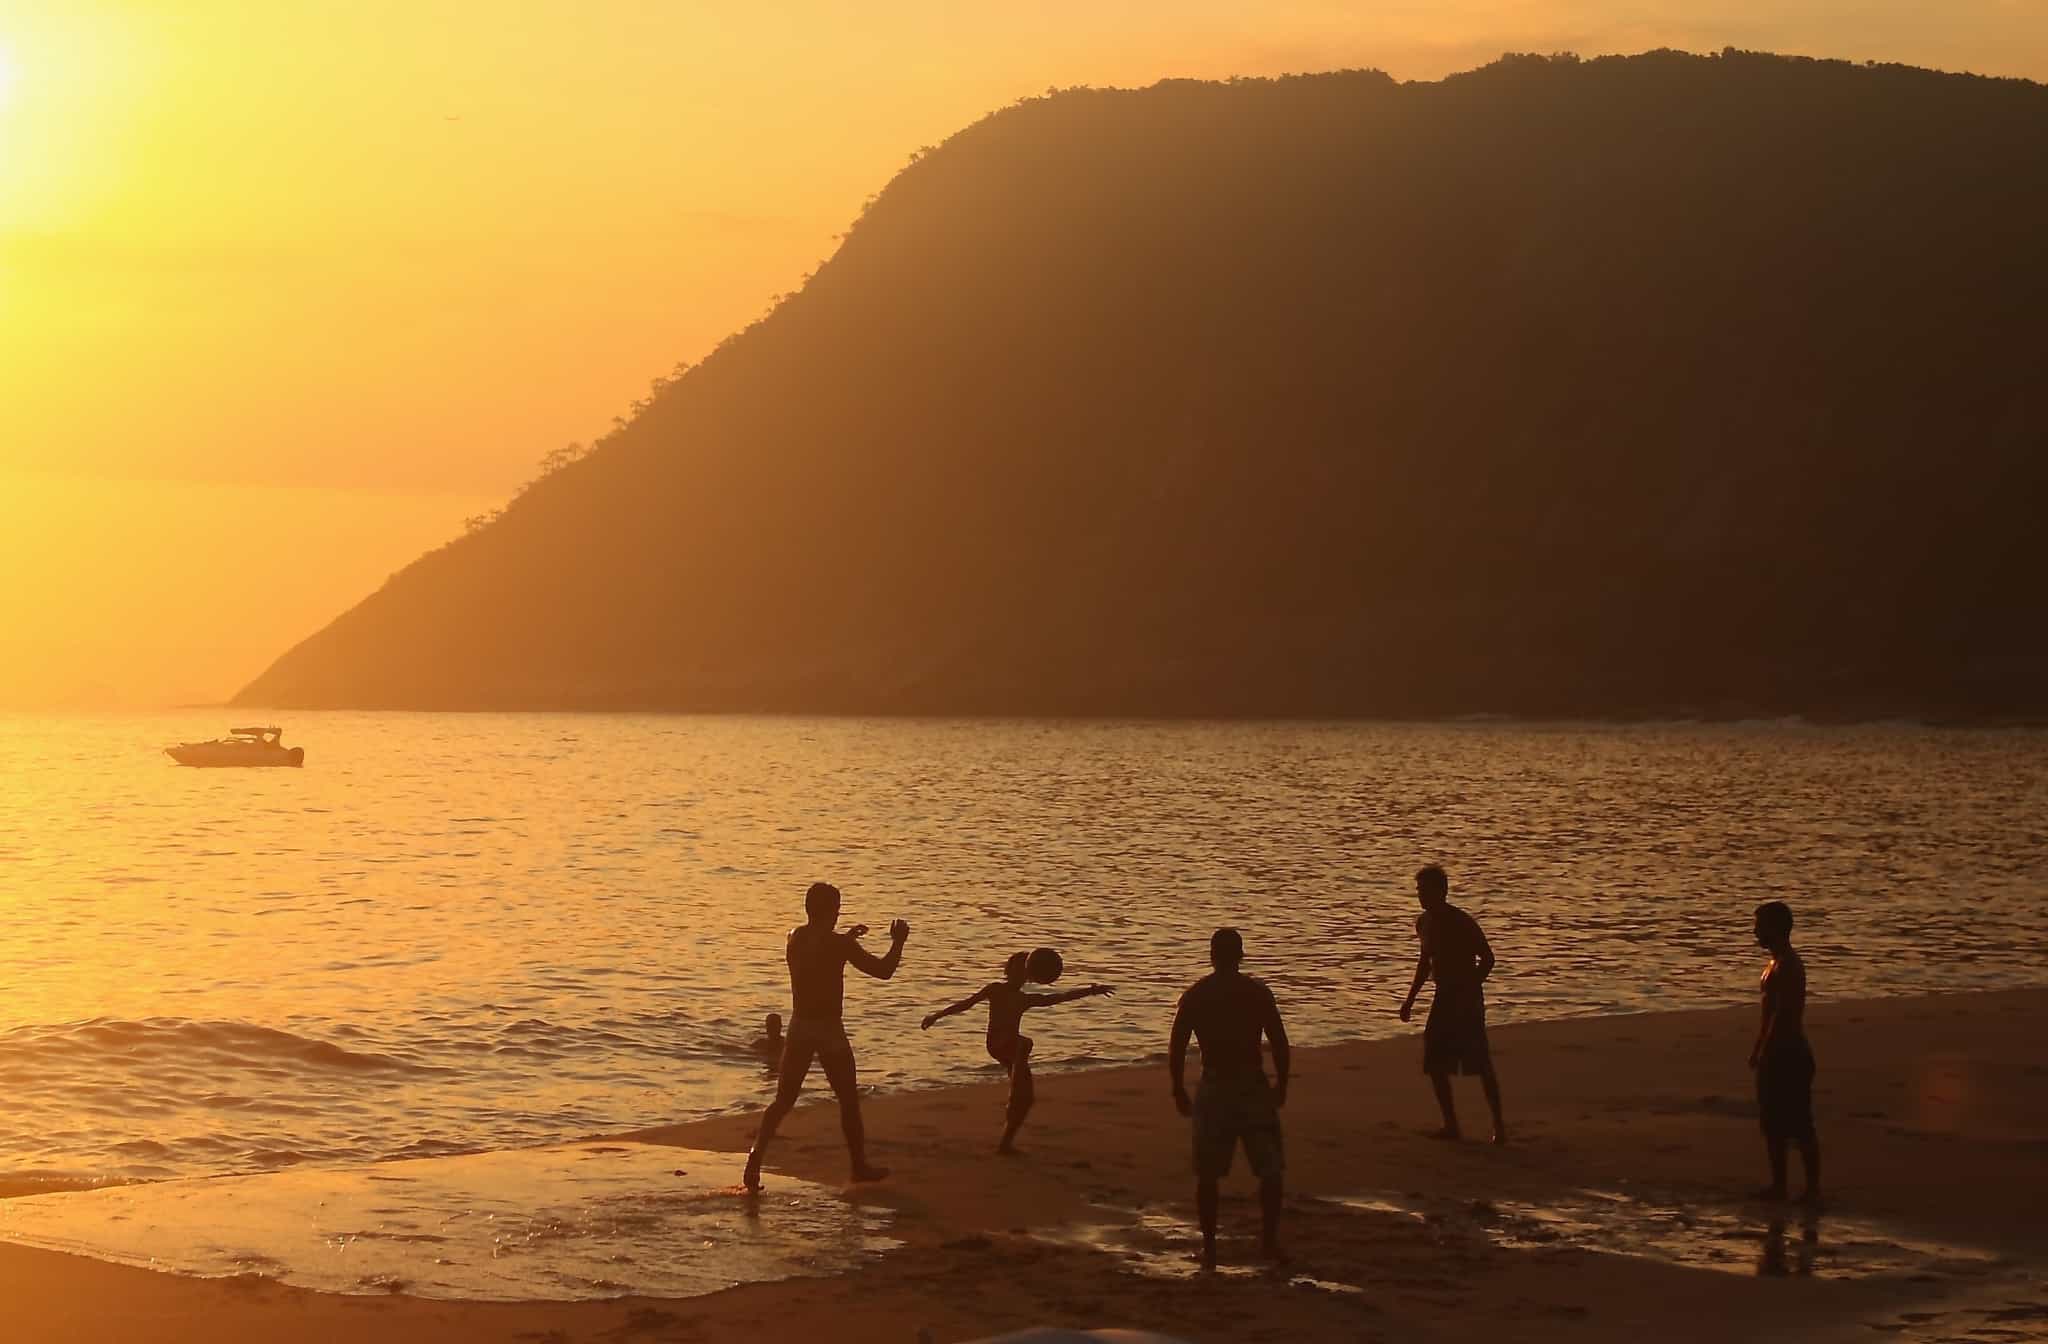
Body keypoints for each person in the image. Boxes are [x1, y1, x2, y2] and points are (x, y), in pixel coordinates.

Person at [741, 882, 910, 1191]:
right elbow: (883, 970)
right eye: (836, 908)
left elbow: (819, 953)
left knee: (783, 1099)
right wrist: (898, 942)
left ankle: (754, 1159)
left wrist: (846, 938)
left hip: (800, 1026)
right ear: (830, 911)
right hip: (829, 1029)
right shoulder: (839, 947)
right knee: (847, 1099)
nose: (839, 913)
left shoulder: (794, 937)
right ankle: (858, 1166)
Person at [1169, 927, 1290, 1270]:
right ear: (1240, 955)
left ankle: (1210, 1249)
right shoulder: (1256, 992)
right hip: (1252, 1083)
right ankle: (1268, 1242)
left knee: (1208, 1174)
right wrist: (1281, 1084)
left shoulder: (1197, 994)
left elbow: (1177, 1045)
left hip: (1216, 1086)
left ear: (1211, 955)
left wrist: (1177, 1087)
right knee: (1269, 1169)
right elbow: (1279, 1041)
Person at [921, 949, 1114, 1153]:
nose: (1021, 973)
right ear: (1009, 970)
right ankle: (1015, 1088)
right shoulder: (995, 989)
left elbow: (1060, 997)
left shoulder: (1024, 999)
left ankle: (1006, 1143)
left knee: (1026, 1098)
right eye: (1018, 968)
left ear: (1029, 974)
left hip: (1012, 1050)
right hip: (998, 1044)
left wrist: (1090, 990)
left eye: (1025, 969)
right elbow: (966, 1004)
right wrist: (936, 1016)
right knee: (1025, 1044)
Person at [1398, 865, 1506, 1143]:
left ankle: (1500, 1127)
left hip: (1466, 999)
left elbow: (1488, 958)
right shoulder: (1423, 923)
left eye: (1426, 890)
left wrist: (1471, 985)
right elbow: (1425, 963)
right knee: (1434, 1060)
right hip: (1443, 996)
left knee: (1480, 1062)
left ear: (1442, 891)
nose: (1421, 895)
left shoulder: (1462, 921)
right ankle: (1451, 1125)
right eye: (1419, 890)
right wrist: (1409, 1000)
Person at [1749, 900, 1821, 1203]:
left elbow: (1783, 1015)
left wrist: (1766, 1049)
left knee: (1799, 1123)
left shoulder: (1789, 965)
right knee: (1772, 1123)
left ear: (1775, 929)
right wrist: (1758, 1048)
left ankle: (1812, 1189)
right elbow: (1768, 1015)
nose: (1755, 933)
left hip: (1789, 1053)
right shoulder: (1774, 964)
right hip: (1775, 1051)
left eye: (1759, 927)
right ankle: (1779, 1184)